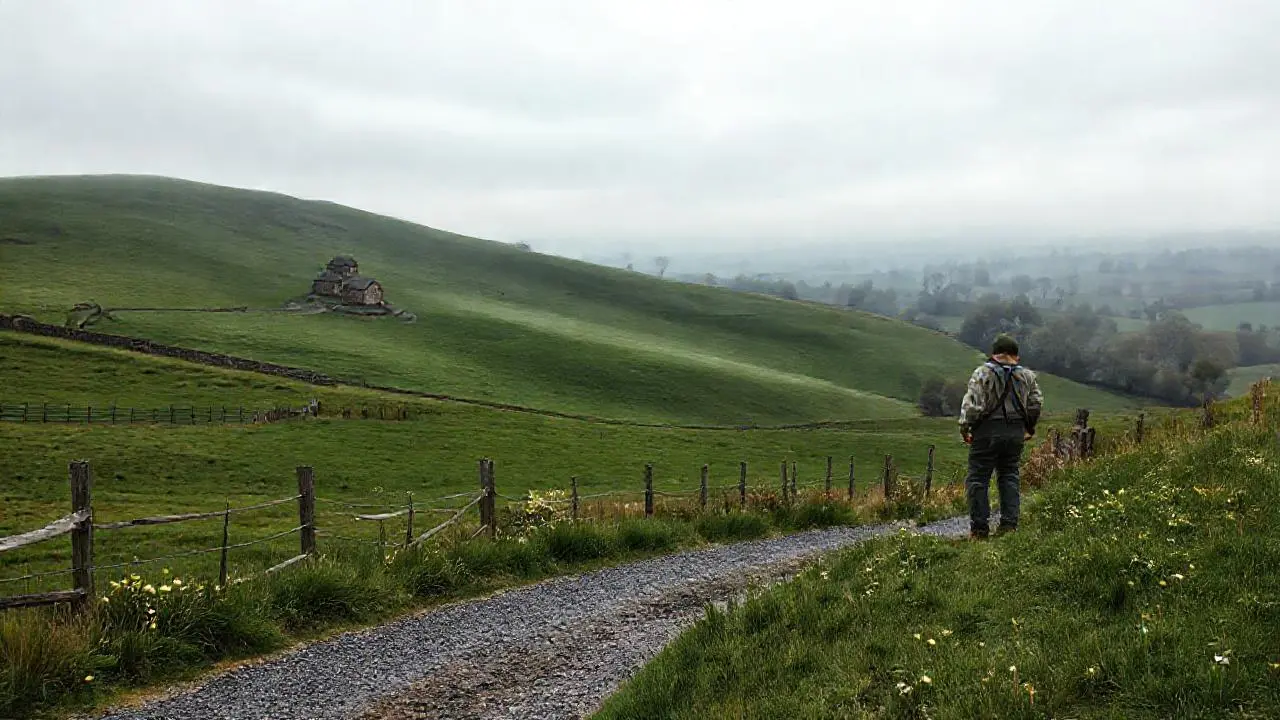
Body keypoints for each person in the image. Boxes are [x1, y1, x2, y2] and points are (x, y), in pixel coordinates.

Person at [958, 335, 1044, 539]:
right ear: (1017, 357)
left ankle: (979, 529)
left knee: (978, 479)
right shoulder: (1028, 376)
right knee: (1009, 475)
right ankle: (1009, 526)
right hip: (1014, 432)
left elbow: (971, 406)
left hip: (986, 433)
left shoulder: (982, 373)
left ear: (993, 354)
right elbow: (1036, 403)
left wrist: (965, 429)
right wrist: (1029, 428)